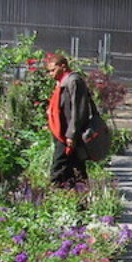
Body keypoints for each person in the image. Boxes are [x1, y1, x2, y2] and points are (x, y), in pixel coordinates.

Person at [45, 53, 92, 187]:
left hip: (68, 134)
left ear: (63, 66)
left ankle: (55, 194)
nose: (51, 74)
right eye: (49, 71)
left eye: (53, 70)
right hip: (63, 132)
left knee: (59, 166)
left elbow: (78, 110)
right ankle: (77, 198)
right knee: (73, 167)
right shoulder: (62, 83)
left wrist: (72, 134)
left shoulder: (73, 81)